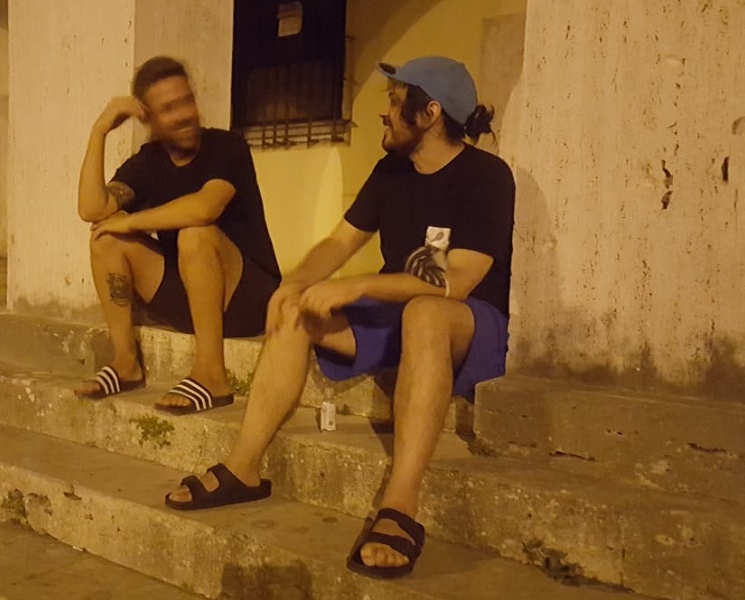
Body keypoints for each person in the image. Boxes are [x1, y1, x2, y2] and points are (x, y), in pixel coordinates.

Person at [162, 56, 516, 579]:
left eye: (395, 100)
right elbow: (338, 243)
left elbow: (456, 279)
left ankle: (400, 504)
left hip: (465, 322)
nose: (383, 112)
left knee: (426, 312)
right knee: (296, 307)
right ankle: (243, 467)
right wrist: (295, 284)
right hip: (400, 312)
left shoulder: (486, 176)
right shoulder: (391, 171)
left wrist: (358, 285)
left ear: (430, 113)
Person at [74, 56, 281, 414]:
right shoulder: (148, 162)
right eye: (169, 108)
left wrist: (132, 222)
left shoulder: (227, 147)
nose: (184, 114)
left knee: (195, 234)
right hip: (189, 294)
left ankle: (212, 375)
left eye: (187, 101)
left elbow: (204, 208)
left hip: (247, 298)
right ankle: (126, 363)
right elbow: (92, 209)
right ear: (149, 120)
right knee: (105, 238)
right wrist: (99, 131)